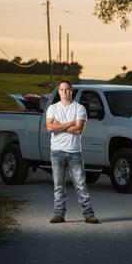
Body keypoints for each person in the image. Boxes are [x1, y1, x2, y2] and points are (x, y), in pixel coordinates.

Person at [46, 79, 99, 224]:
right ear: (59, 92)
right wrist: (70, 123)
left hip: (74, 152)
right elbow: (49, 128)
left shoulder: (79, 108)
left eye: (67, 89)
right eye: (62, 89)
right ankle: (59, 214)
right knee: (58, 186)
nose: (64, 92)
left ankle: (89, 215)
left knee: (81, 185)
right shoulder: (52, 108)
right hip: (56, 152)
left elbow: (78, 129)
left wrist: (60, 125)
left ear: (72, 91)